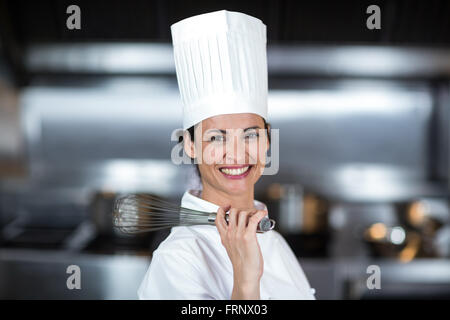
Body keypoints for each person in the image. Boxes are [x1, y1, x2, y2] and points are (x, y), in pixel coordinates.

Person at [138, 9, 315, 300]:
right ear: (190, 145)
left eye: (250, 135)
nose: (237, 154)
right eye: (217, 137)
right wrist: (245, 280)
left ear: (268, 138)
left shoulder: (274, 240)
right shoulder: (178, 258)